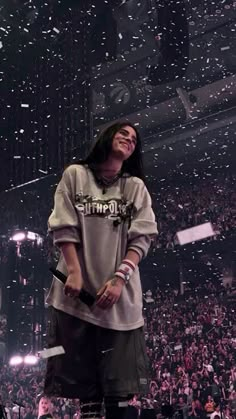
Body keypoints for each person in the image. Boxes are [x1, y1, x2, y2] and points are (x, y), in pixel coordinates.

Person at [44, 121, 158, 419]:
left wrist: (120, 279)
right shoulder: (76, 175)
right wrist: (74, 271)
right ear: (106, 137)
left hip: (119, 297)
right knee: (85, 387)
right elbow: (63, 224)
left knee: (118, 390)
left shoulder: (134, 186)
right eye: (123, 133)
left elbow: (142, 237)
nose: (129, 139)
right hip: (75, 294)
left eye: (134, 139)